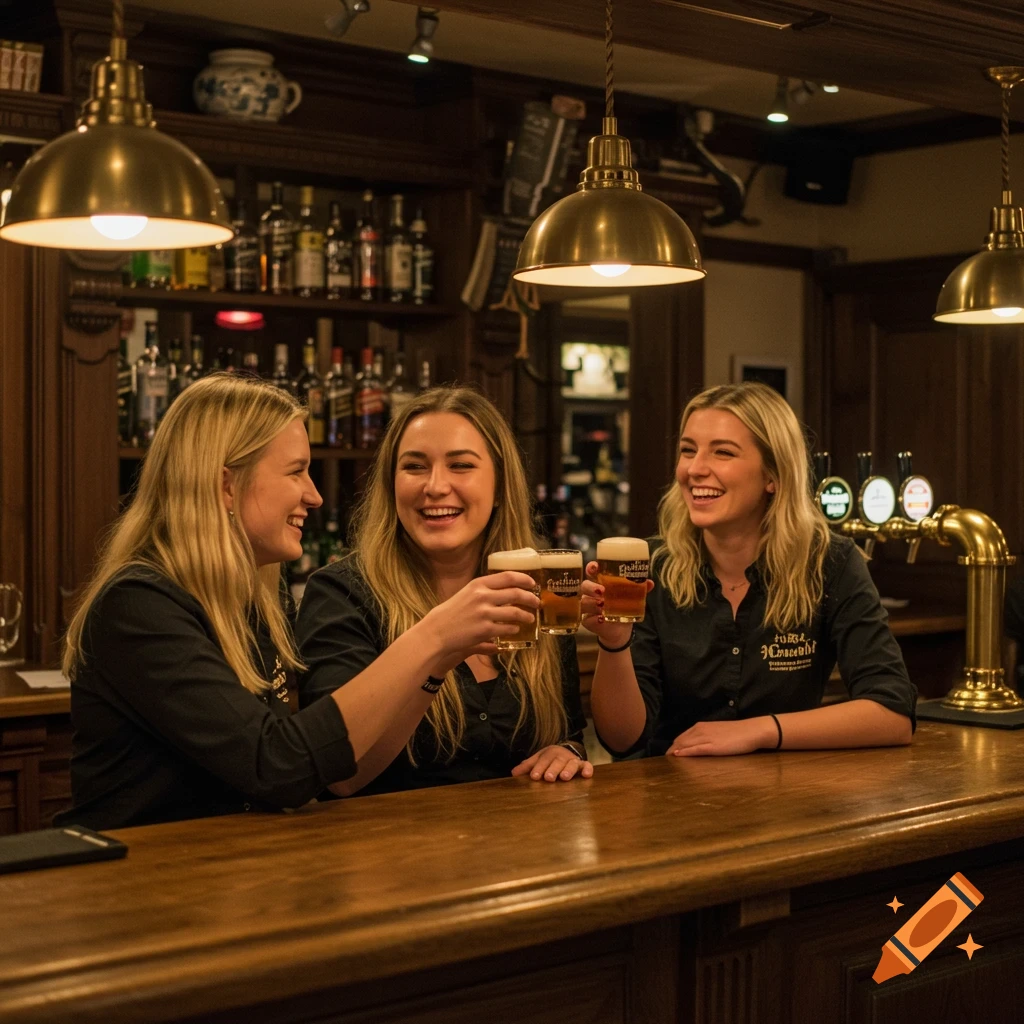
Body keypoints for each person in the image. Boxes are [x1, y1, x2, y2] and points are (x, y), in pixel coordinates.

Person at [57, 375, 530, 829]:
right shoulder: (139, 604)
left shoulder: (258, 597)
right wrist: (433, 637)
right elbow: (278, 767)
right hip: (137, 884)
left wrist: (438, 659)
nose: (316, 495)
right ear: (225, 486)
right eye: (296, 471)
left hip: (230, 877)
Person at [584, 381, 916, 759]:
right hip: (669, 797)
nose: (694, 469)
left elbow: (892, 713)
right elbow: (622, 739)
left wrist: (759, 731)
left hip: (786, 799)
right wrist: (614, 644)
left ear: (772, 476)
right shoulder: (649, 569)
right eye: (687, 450)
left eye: (722, 453)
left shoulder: (829, 563)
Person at [296, 385, 591, 796]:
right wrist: (435, 648)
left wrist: (565, 752)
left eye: (461, 465)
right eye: (415, 466)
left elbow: (570, 731)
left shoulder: (535, 584)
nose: (435, 486)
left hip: (523, 848)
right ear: (390, 484)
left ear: (501, 484)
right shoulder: (342, 595)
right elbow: (340, 777)